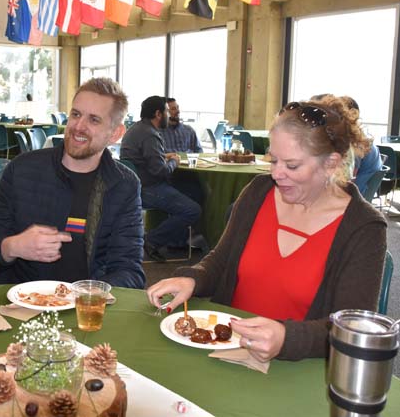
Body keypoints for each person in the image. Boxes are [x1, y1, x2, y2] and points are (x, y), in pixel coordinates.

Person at [147, 96, 387, 361]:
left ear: (331, 163)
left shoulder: (364, 227)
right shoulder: (258, 192)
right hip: (229, 348)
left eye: (292, 165)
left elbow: (352, 328)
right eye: (273, 161)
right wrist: (193, 278)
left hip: (300, 371)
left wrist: (288, 338)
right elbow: (221, 260)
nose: (276, 174)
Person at [0, 78, 145, 288]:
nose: (79, 127)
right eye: (75, 114)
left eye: (94, 120)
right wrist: (13, 246)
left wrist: (87, 295)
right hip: (21, 304)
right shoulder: (22, 169)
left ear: (116, 133)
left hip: (86, 309)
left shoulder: (124, 185)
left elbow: (129, 271)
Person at [120, 96, 202, 262]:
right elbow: (161, 172)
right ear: (158, 114)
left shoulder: (137, 129)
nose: (168, 114)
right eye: (166, 110)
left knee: (191, 191)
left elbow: (143, 158)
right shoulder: (150, 135)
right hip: (148, 188)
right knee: (193, 210)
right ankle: (151, 240)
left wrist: (163, 156)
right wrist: (174, 160)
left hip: (136, 185)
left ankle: (177, 242)